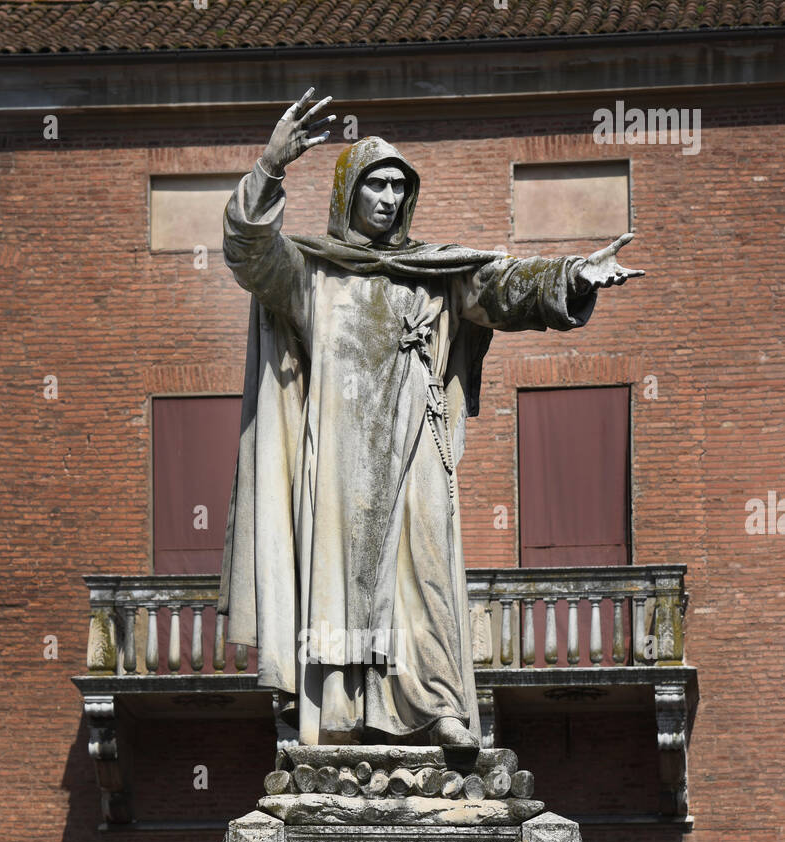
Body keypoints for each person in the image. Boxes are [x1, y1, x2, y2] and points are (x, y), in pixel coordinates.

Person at [219, 89, 642, 747]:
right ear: (350, 195)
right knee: (341, 577)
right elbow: (248, 253)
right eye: (374, 186)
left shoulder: (433, 273)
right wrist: (270, 167)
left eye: (397, 187)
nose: (387, 199)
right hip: (335, 453)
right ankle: (340, 714)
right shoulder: (311, 274)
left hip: (416, 441)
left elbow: (502, 287)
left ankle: (437, 704)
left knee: (425, 570)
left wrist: (573, 277)